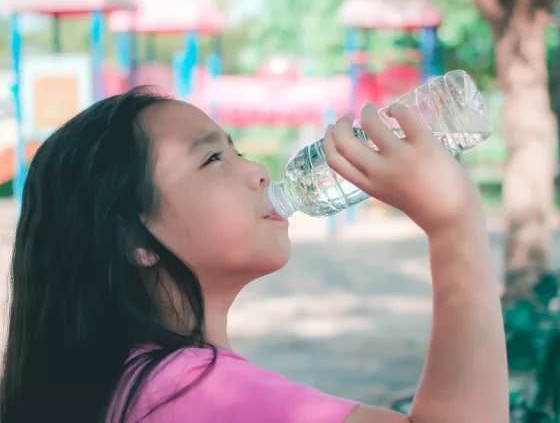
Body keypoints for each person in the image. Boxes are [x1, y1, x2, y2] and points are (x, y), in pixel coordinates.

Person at [0, 86, 508, 423]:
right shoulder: (193, 392)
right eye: (213, 158)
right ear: (130, 239)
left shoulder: (132, 381)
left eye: (237, 150)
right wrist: (454, 223)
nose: (259, 170)